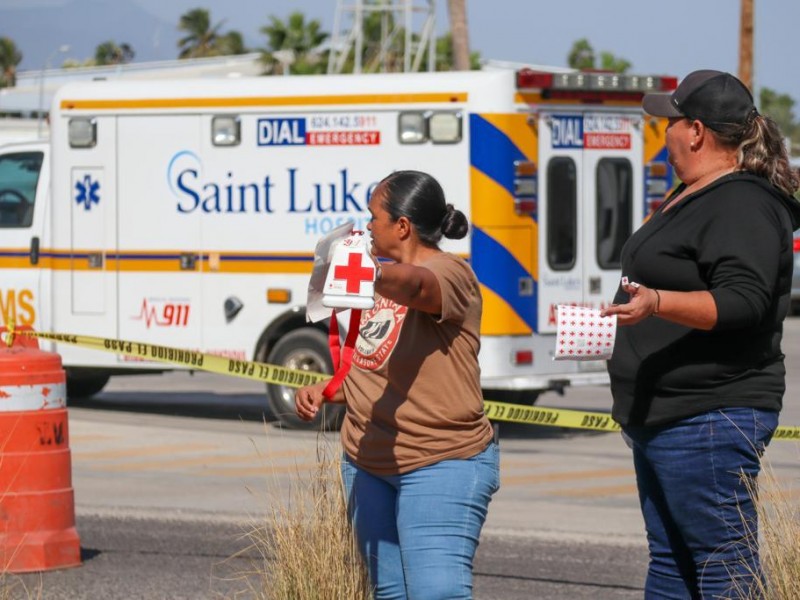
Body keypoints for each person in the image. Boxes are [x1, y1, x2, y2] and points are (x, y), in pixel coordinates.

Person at [601, 70, 800, 599]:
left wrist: (657, 303)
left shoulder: (740, 202)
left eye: (668, 121)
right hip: (667, 414)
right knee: (672, 563)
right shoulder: (696, 192)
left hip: (706, 415)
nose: (660, 132)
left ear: (694, 131)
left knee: (724, 567)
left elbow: (744, 302)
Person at [295, 170, 499, 599]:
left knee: (435, 593)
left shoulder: (448, 274)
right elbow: (378, 363)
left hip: (439, 462)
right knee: (391, 593)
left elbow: (420, 287)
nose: (367, 226)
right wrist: (329, 391)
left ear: (401, 226)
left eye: (374, 216)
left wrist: (369, 275)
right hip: (367, 463)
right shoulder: (387, 277)